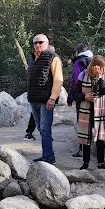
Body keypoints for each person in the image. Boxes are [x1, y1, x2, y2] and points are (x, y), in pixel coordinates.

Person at [74, 55, 105, 170]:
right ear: (94, 66)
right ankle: (85, 163)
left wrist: (99, 78)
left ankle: (100, 163)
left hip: (99, 110)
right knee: (85, 137)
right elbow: (75, 94)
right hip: (85, 109)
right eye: (101, 67)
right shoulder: (83, 75)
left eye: (104, 68)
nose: (102, 70)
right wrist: (85, 97)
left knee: (100, 137)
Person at [27, 34, 63, 164]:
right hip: (34, 98)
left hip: (46, 100)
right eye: (35, 43)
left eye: (40, 42)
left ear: (47, 43)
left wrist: (53, 98)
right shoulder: (32, 58)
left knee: (45, 128)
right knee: (40, 128)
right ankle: (46, 154)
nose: (37, 45)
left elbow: (58, 80)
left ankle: (49, 157)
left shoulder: (53, 58)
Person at [68, 43, 93, 157]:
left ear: (77, 52)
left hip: (81, 96)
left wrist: (70, 97)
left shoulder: (78, 62)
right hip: (94, 96)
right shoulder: (94, 60)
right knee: (94, 121)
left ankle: (82, 150)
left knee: (82, 123)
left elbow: (74, 80)